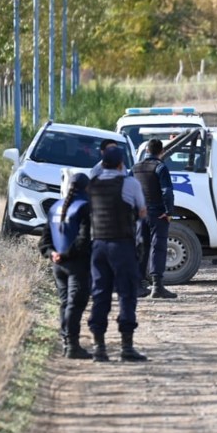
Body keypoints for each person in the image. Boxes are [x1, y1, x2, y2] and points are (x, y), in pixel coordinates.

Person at [86, 146, 149, 362]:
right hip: (122, 245)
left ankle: (99, 347)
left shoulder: (91, 184)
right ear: (121, 164)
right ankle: (126, 347)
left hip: (98, 246)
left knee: (100, 294)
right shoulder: (129, 183)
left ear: (102, 163)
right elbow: (142, 211)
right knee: (126, 293)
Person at [38, 173, 93, 359]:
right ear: (86, 188)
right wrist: (66, 255)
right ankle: (72, 346)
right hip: (76, 264)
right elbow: (83, 240)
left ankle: (66, 343)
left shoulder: (55, 206)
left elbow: (44, 240)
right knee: (75, 304)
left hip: (57, 265)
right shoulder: (84, 207)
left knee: (65, 304)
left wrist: (53, 254)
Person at [132, 139, 178, 299]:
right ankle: (157, 286)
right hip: (157, 213)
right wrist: (169, 211)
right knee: (158, 247)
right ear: (161, 152)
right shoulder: (160, 167)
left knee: (140, 247)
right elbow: (167, 191)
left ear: (146, 151)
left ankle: (137, 286)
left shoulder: (135, 168)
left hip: (140, 214)